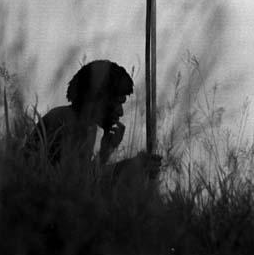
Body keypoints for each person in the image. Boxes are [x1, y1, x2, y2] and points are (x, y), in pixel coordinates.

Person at [24, 59, 161, 182]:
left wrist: (105, 151)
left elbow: (84, 180)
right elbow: (76, 181)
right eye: (117, 102)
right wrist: (127, 167)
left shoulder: (87, 126)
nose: (121, 112)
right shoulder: (65, 122)